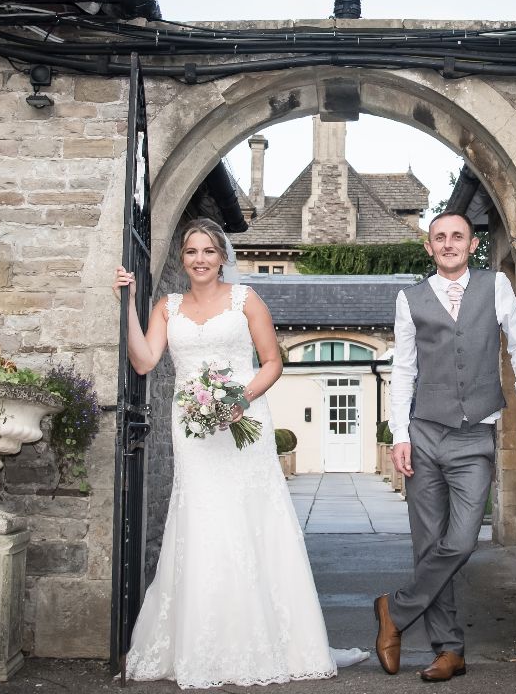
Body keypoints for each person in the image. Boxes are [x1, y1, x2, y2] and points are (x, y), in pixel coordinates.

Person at [113, 218, 365, 689]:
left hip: (242, 424)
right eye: (192, 251)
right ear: (183, 258)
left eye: (208, 251)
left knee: (250, 519)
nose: (200, 259)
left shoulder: (245, 299)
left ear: (222, 257)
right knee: (202, 520)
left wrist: (240, 399)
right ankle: (203, 643)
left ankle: (267, 640)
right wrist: (128, 304)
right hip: (193, 431)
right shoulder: (167, 307)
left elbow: (272, 362)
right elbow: (144, 360)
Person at [374, 211, 516, 682]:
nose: (449, 243)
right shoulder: (410, 298)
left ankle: (395, 610)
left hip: (474, 434)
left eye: (458, 236)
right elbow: (404, 369)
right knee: (429, 544)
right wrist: (400, 435)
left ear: (472, 244)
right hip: (424, 432)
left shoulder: (495, 286)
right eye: (440, 238)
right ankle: (449, 649)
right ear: (429, 247)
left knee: (461, 540)